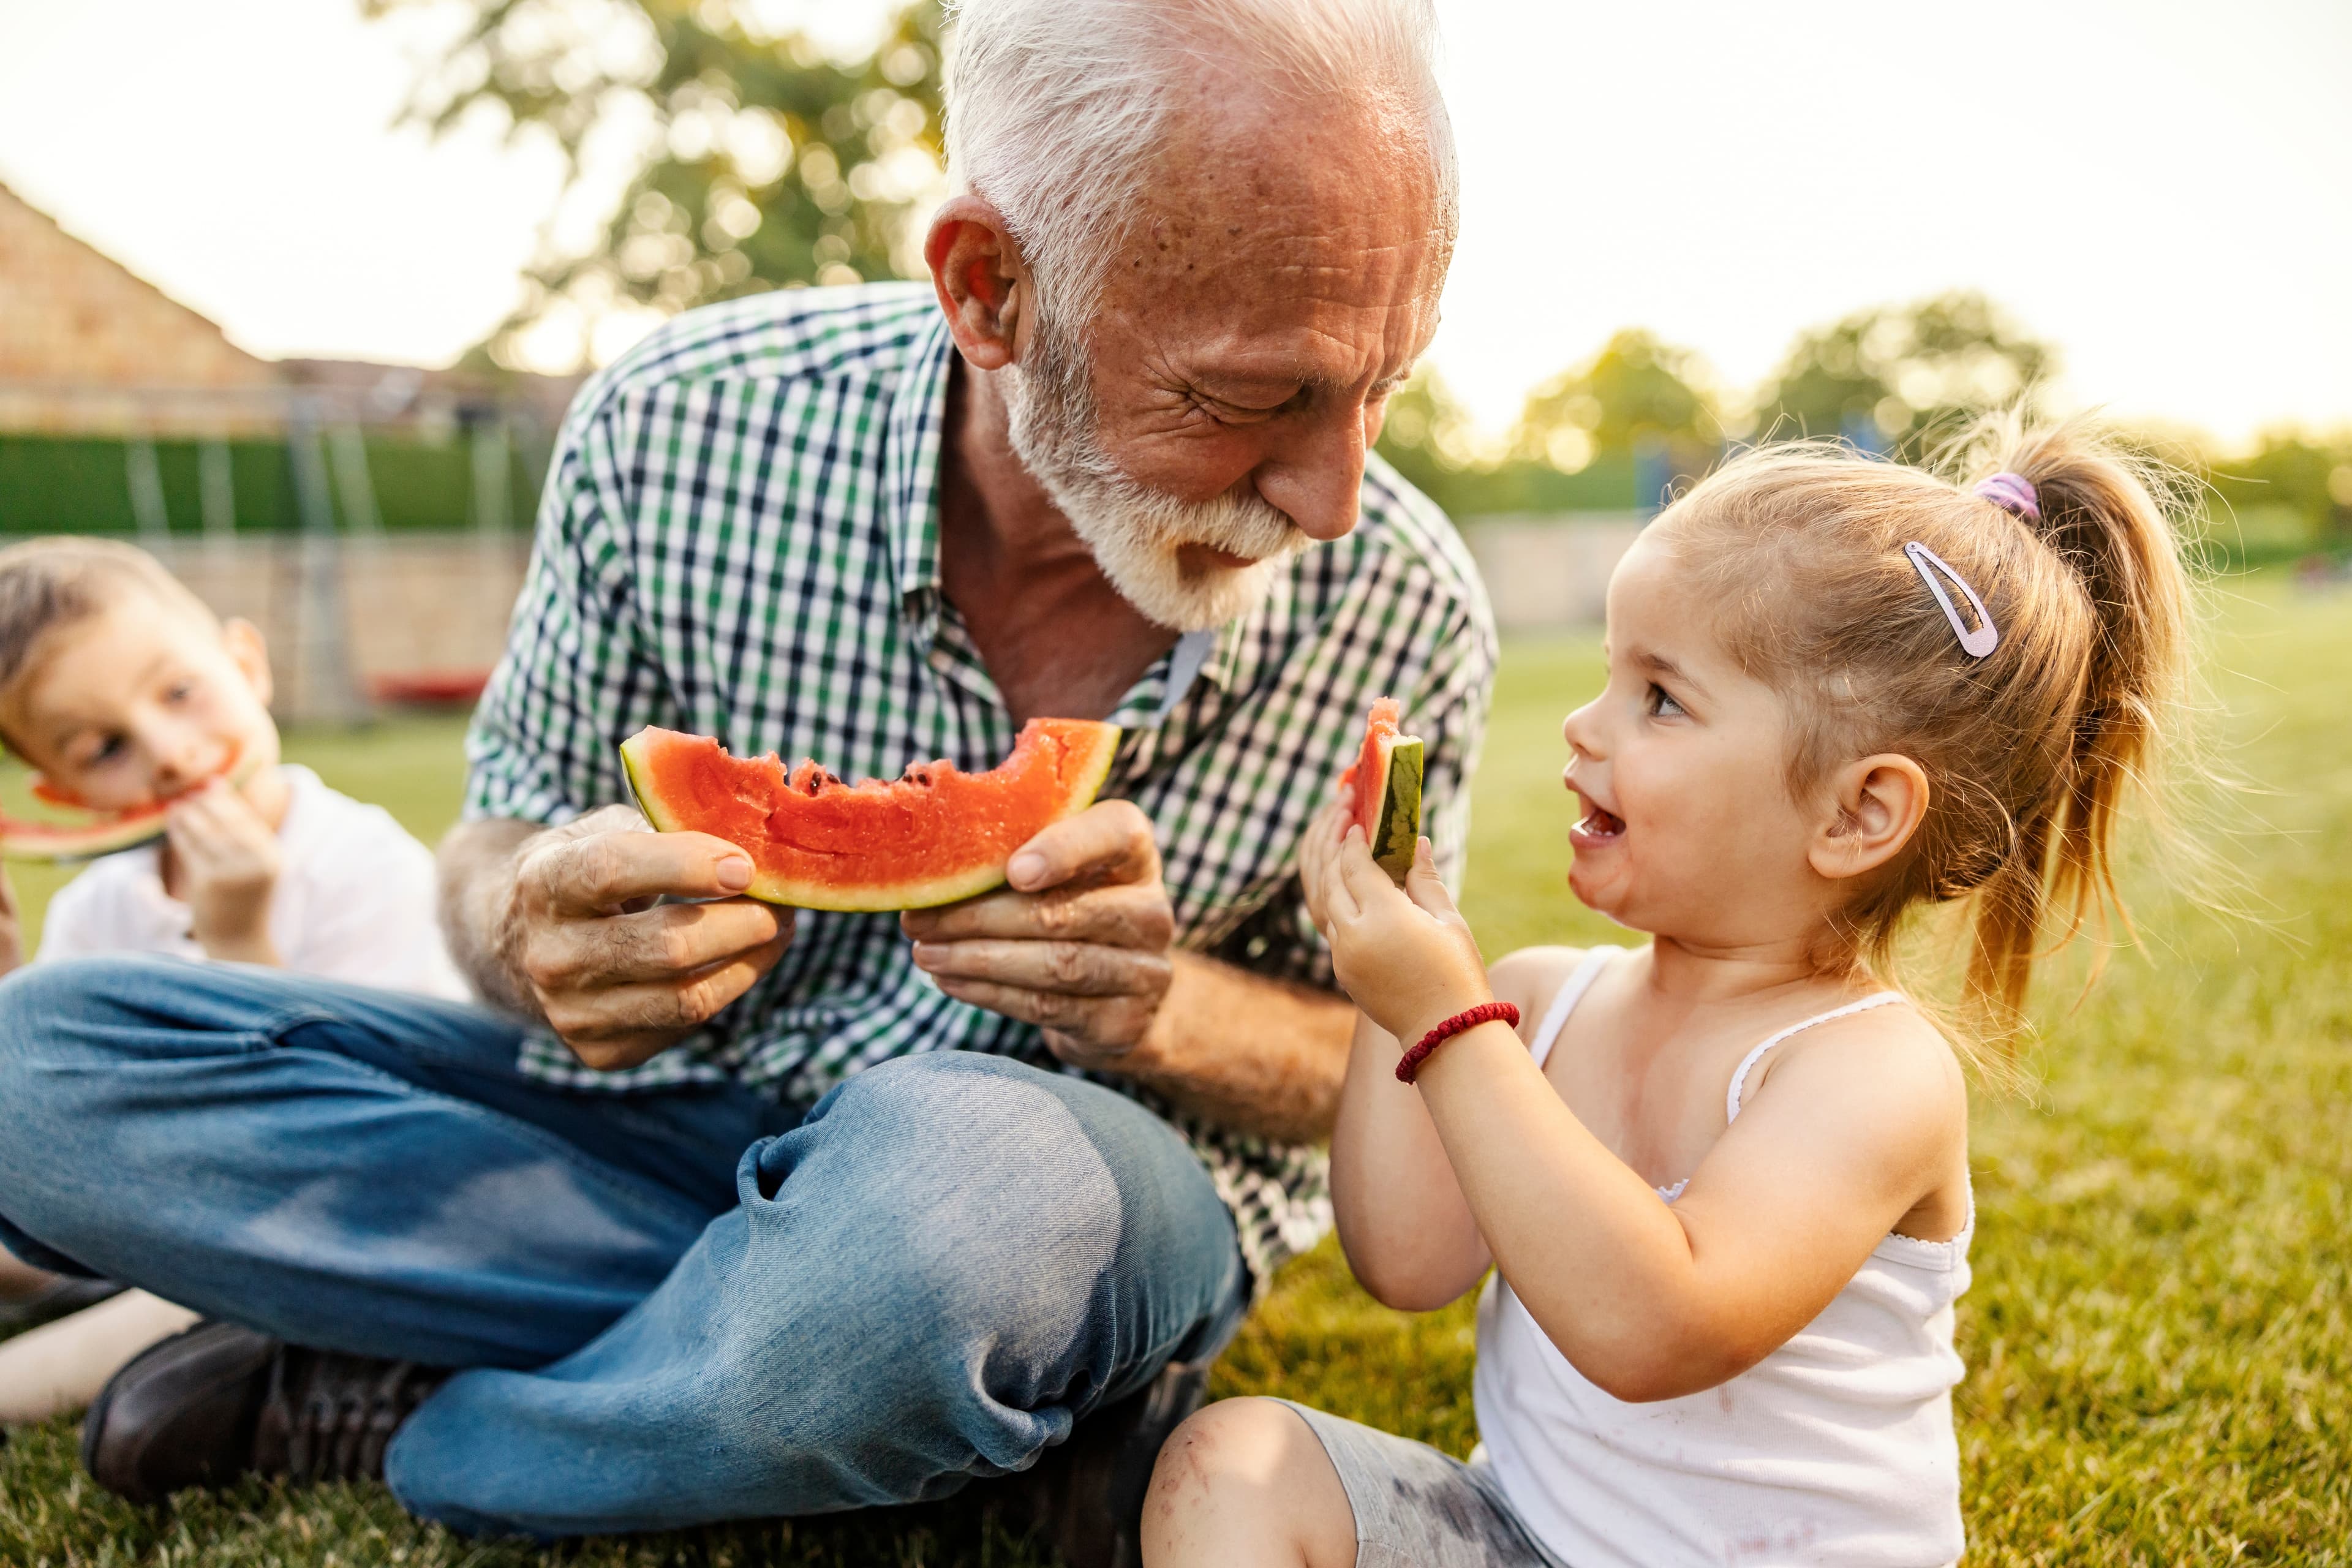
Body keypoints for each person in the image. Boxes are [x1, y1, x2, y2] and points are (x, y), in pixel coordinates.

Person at [0, 0, 1490, 1559]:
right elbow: (495, 840)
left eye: (1382, 383)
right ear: (989, 289)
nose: (1334, 495)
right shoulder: (676, 432)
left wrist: (1161, 1006)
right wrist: (532, 926)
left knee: (978, 1208)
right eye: (1254, 398)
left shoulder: (1404, 602)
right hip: (639, 1130)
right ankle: (935, 1426)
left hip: (1061, 1191)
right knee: (44, 1063)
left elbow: (1385, 1066)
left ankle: (418, 1413)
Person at [1142, 418, 2197, 1568]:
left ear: (1856, 815)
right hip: (1527, 1535)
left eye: (1660, 700)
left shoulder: (1871, 1073)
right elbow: (1404, 1264)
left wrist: (1448, 1027)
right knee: (1233, 1464)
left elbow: (1654, 1327)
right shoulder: (1537, 1004)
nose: (1584, 725)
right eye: (1610, 672)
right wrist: (1391, 984)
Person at [0, 537, 470, 1422]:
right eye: (105, 748)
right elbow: (61, 1145)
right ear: (64, 793)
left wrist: (240, 942)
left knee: (192, 1294)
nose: (171, 754)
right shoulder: (100, 911)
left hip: (330, 1220)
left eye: (180, 693)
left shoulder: (362, 867)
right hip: (150, 1219)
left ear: (246, 662)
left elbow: (350, 1144)